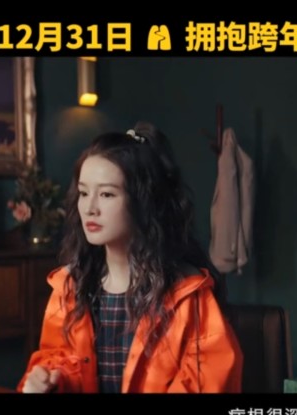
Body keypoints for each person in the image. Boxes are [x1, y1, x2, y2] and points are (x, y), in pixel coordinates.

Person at [18, 122, 243, 393]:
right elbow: (59, 358)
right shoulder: (70, 286)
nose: (89, 208)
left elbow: (209, 379)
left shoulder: (186, 294)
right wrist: (50, 381)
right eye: (84, 193)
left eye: (106, 194)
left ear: (143, 201)